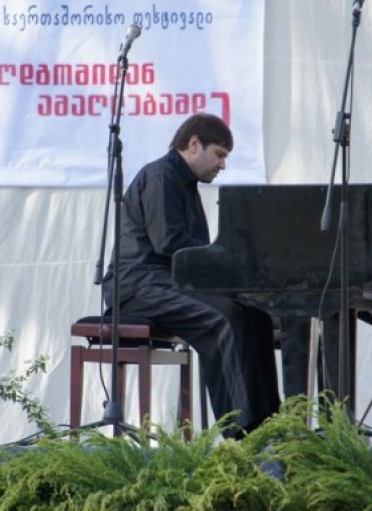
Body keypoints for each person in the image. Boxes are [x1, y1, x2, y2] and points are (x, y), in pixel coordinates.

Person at [102, 113, 281, 438]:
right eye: (220, 154)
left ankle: (272, 422)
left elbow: (193, 252)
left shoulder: (184, 184)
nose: (223, 165)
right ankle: (242, 431)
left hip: (165, 282)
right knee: (223, 317)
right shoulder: (161, 176)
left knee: (255, 315)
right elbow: (169, 242)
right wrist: (227, 260)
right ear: (194, 144)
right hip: (137, 285)